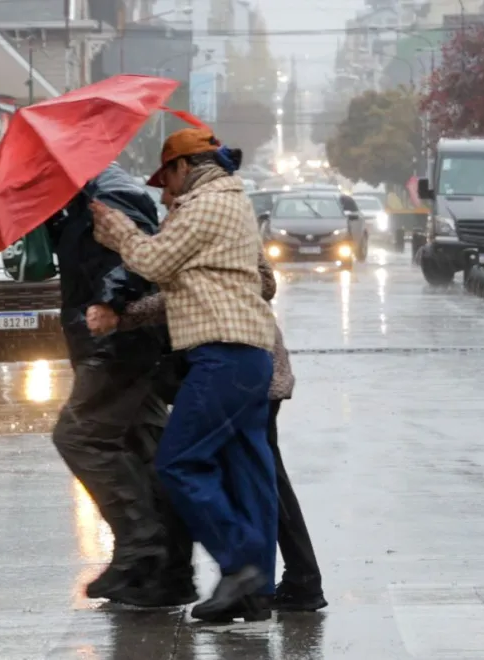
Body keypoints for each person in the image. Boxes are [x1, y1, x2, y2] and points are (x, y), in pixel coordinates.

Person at [90, 128, 279, 623]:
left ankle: (240, 565)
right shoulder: (227, 201)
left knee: (179, 461)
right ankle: (255, 591)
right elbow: (184, 286)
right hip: (244, 353)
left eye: (167, 178)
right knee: (249, 471)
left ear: (183, 167)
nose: (164, 192)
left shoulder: (207, 204)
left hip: (224, 352)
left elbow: (153, 260)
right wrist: (124, 315)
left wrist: (116, 230)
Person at [109, 244, 329, 612]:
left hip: (246, 367)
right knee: (254, 476)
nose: (164, 194)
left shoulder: (212, 223)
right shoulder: (198, 226)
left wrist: (131, 312)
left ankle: (291, 581)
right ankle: (277, 583)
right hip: (241, 366)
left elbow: (263, 283)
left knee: (262, 478)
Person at [46, 164, 194, 608]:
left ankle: (141, 546)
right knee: (144, 447)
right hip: (113, 341)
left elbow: (135, 258)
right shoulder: (77, 198)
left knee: (79, 435)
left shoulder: (107, 191)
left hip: (118, 343)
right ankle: (167, 573)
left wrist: (110, 302)